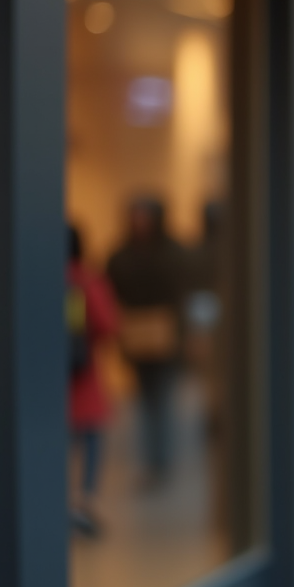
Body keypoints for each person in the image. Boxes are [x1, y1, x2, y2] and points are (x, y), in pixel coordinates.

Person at [106, 198, 189, 483]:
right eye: (135, 216)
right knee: (144, 398)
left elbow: (183, 293)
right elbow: (111, 288)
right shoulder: (121, 254)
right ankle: (152, 459)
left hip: (166, 332)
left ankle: (162, 459)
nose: (140, 222)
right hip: (135, 332)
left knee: (162, 397)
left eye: (145, 216)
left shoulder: (174, 252)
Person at [66, 225, 119, 535]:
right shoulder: (86, 280)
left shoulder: (33, 274)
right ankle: (84, 503)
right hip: (83, 377)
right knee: (90, 443)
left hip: (46, 382)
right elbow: (106, 323)